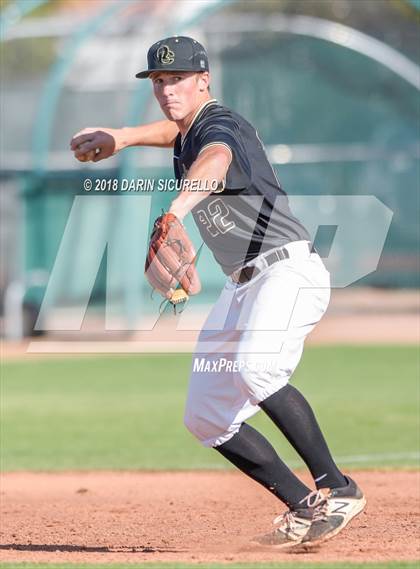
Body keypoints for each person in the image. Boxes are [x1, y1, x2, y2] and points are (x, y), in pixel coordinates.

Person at [71, 35, 366, 548]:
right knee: (205, 416)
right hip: (242, 285)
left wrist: (174, 213)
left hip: (286, 272)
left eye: (177, 78)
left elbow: (214, 161)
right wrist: (121, 136)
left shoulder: (220, 126)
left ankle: (337, 488)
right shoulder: (190, 128)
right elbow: (177, 134)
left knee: (259, 368)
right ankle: (305, 506)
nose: (167, 89)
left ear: (203, 80)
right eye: (159, 81)